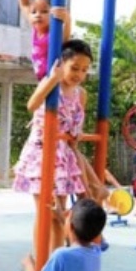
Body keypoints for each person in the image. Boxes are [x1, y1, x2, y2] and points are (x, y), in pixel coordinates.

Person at [12, 38, 95, 256]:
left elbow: (77, 124)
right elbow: (32, 105)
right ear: (62, 64)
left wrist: (76, 135)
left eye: (84, 70)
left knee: (59, 213)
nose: (79, 74)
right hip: (42, 151)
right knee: (45, 212)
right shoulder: (52, 85)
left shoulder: (81, 94)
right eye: (74, 68)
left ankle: (57, 259)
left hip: (63, 155)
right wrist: (52, 79)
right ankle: (41, 258)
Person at [15, 0, 73, 80]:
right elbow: (24, 4)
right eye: (34, 12)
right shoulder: (35, 27)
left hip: (54, 78)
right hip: (42, 78)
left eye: (44, 11)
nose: (38, 15)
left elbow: (65, 38)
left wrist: (67, 20)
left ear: (52, 14)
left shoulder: (53, 33)